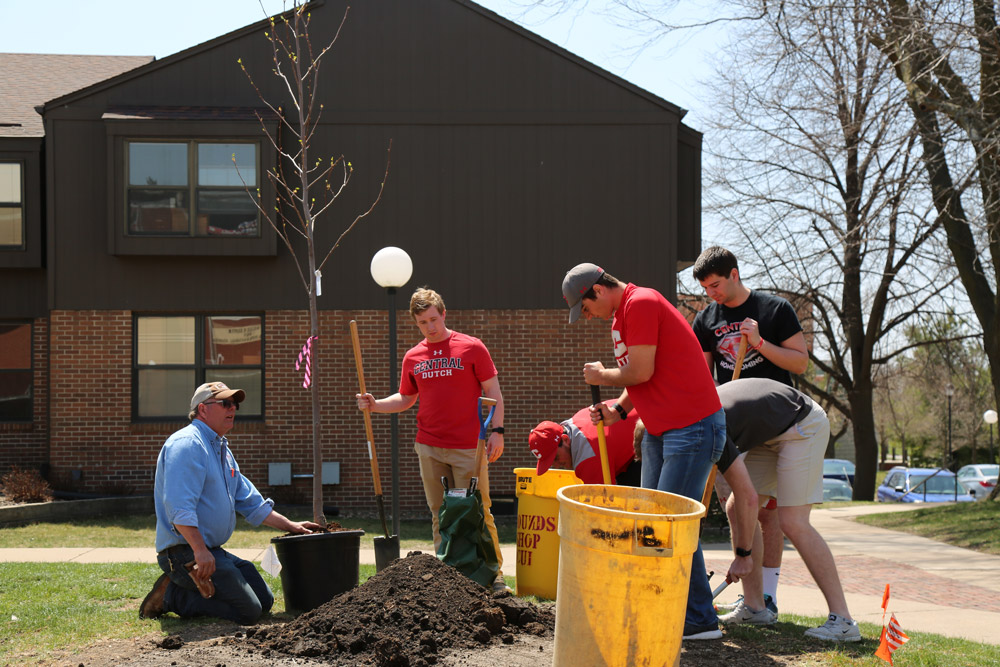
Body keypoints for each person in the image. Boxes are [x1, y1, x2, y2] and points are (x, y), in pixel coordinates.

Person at [562, 262, 727, 640]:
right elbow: (639, 378)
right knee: (651, 525)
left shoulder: (642, 303)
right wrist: (619, 410)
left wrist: (602, 375)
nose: (587, 317)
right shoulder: (621, 318)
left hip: (692, 426)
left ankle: (698, 620)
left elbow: (640, 371)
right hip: (660, 429)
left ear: (598, 291)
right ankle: (670, 610)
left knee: (669, 527)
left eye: (586, 308)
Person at [356, 287, 508, 592]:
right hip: (429, 445)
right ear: (416, 323)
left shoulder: (472, 347)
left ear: (444, 314)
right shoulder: (414, 356)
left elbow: (493, 392)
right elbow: (406, 398)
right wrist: (375, 404)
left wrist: (497, 432)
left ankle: (494, 575)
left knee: (477, 509)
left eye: (434, 319)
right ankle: (447, 574)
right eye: (423, 322)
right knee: (440, 512)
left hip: (469, 446)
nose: (431, 327)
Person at [140, 382, 321, 623]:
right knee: (248, 611)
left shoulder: (221, 449)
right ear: (202, 410)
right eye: (225, 403)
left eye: (234, 404)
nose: (233, 408)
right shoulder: (187, 445)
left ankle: (185, 589)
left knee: (264, 601)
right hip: (185, 555)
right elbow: (179, 508)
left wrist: (292, 526)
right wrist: (200, 551)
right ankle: (171, 595)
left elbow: (249, 501)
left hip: (211, 552)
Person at [692, 246, 809, 611]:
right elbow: (703, 377)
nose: (711, 294)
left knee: (767, 511)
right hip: (734, 425)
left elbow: (800, 362)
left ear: (735, 274)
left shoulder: (774, 309)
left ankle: (766, 596)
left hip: (777, 422)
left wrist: (759, 342)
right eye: (705, 289)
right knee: (741, 507)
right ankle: (755, 599)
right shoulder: (706, 320)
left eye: (716, 285)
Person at [716, 378, 861, 642]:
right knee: (736, 507)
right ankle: (755, 608)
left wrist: (743, 555)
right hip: (769, 433)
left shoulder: (708, 426)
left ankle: (844, 621)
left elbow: (750, 497)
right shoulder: (698, 419)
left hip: (802, 424)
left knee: (793, 521)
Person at [529, 401, 641, 485]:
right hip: (636, 440)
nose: (557, 466)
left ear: (565, 439)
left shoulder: (587, 456)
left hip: (650, 434)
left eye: (556, 458)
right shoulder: (574, 422)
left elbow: (602, 504)